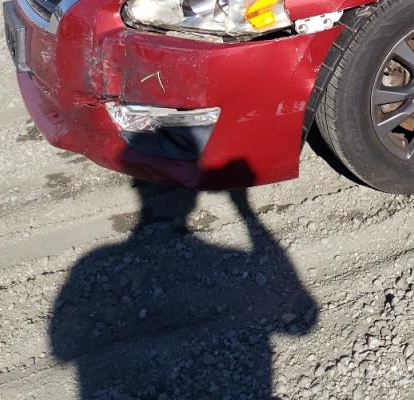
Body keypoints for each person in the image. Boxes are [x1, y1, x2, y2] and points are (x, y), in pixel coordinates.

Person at [49, 163, 316, 399]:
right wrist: (245, 210)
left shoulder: (91, 264)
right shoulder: (91, 263)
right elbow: (303, 319)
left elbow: (61, 348)